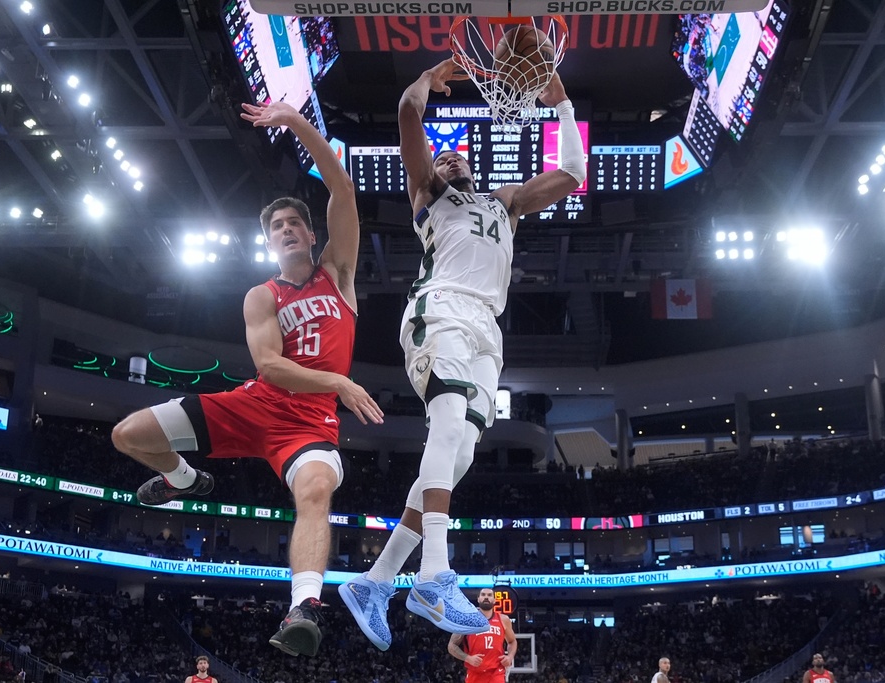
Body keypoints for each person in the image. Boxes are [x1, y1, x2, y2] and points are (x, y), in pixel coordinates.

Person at [110, 99, 383, 658]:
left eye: (293, 224)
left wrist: (296, 124)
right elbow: (270, 368)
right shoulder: (262, 295)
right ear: (270, 244)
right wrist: (339, 383)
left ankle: (304, 607)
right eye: (275, 227)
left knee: (314, 489)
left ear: (311, 236)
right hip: (256, 404)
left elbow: (343, 192)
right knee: (128, 435)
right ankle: (185, 480)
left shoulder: (339, 275)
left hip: (307, 427)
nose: (285, 230)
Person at [340, 58, 585, 649]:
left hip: (488, 331)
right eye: (442, 157)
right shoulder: (429, 198)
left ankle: (375, 581)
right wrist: (427, 76)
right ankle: (431, 578)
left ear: (475, 168)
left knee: (461, 457)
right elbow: (406, 111)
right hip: (441, 309)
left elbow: (573, 173)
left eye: (457, 158)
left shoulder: (507, 204)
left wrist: (562, 104)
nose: (450, 160)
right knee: (446, 425)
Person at [447, 589, 518, 683]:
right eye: (483, 595)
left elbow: (512, 641)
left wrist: (510, 656)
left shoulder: (503, 619)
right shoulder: (467, 620)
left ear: (494, 600)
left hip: (496, 671)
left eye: (489, 595)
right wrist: (468, 658)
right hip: (475, 672)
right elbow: (451, 645)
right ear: (478, 599)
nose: (486, 597)